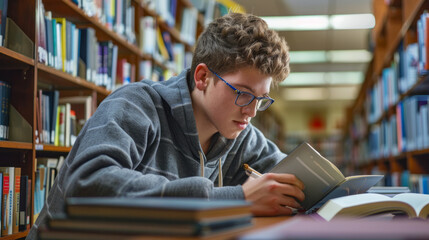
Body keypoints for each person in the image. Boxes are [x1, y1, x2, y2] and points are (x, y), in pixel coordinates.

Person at [28, 12, 305, 239]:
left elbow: (298, 175)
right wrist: (236, 197)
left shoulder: (240, 133)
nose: (252, 111)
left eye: (261, 99)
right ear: (203, 77)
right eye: (243, 93)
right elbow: (88, 183)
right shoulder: (135, 104)